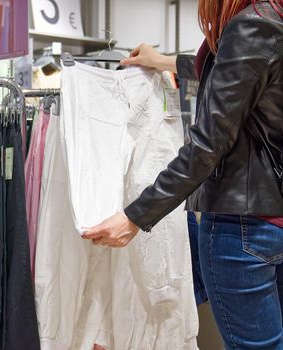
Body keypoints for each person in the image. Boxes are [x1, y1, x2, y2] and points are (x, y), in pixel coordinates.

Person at [83, 0, 283, 349]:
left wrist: (135, 216)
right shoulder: (273, 20)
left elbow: (206, 146)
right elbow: (241, 71)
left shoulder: (254, 24)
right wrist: (162, 61)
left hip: (243, 227)